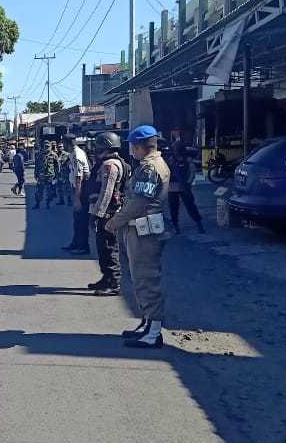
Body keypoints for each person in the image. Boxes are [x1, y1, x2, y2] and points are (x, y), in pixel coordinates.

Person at [106, 125, 171, 349]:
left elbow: (139, 203)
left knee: (146, 279)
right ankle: (147, 324)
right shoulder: (149, 166)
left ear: (138, 147)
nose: (132, 152)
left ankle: (153, 333)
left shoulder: (149, 168)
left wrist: (116, 220)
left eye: (133, 148)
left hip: (144, 231)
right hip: (140, 230)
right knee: (139, 278)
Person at [87, 132, 130, 296]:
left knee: (109, 247)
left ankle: (114, 282)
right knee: (103, 247)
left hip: (107, 213)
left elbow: (107, 192)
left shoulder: (110, 165)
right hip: (109, 211)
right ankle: (107, 278)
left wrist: (97, 214)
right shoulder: (117, 162)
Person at [165, 139, 205, 234]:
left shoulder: (183, 159)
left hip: (180, 186)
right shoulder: (173, 159)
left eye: (176, 149)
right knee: (177, 207)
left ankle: (198, 224)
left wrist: (187, 183)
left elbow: (192, 172)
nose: (175, 151)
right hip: (174, 186)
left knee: (188, 206)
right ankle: (178, 226)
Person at [61, 135, 92, 255]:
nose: (62, 146)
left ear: (67, 143)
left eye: (63, 143)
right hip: (78, 188)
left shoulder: (77, 156)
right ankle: (75, 243)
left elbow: (79, 177)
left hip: (82, 189)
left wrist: (77, 199)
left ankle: (83, 246)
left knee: (82, 220)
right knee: (77, 220)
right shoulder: (74, 153)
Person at [31, 144, 56, 209]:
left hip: (50, 176)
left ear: (50, 147)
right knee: (39, 191)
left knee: (49, 191)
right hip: (41, 176)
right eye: (46, 147)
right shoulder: (39, 155)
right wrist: (36, 174)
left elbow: (57, 166)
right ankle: (37, 204)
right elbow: (36, 166)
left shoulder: (54, 155)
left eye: (48, 147)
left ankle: (48, 203)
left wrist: (56, 176)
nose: (47, 148)